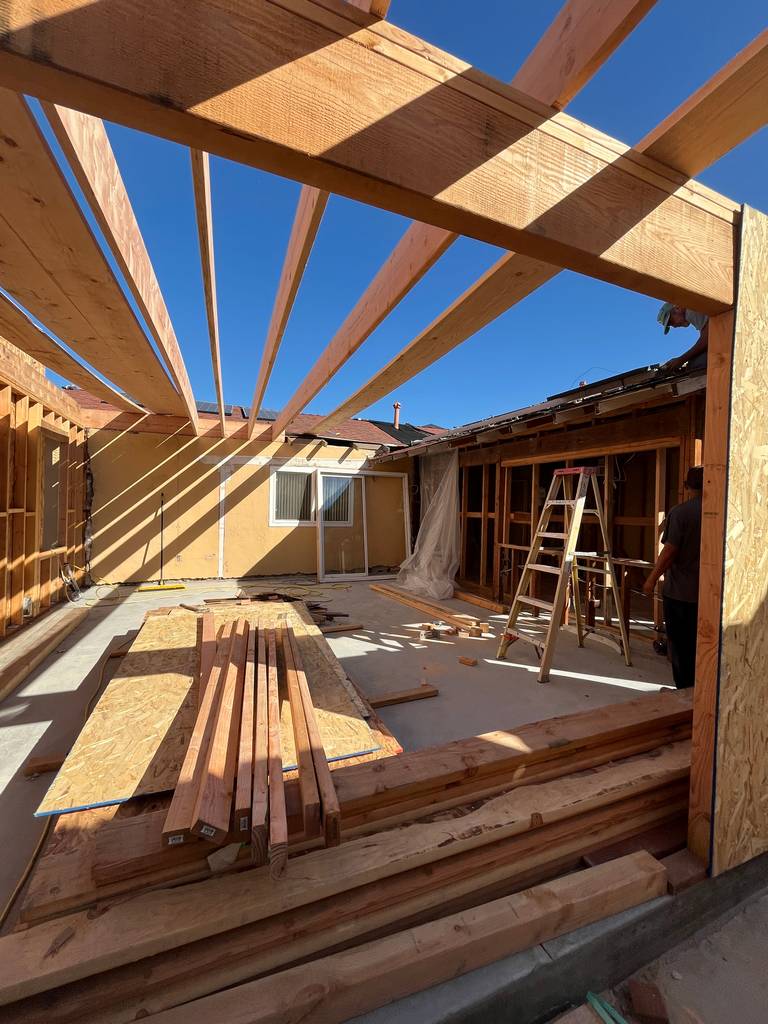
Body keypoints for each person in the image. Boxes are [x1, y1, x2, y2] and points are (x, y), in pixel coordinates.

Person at [642, 466, 703, 688]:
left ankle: (685, 693)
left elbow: (669, 552)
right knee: (703, 645)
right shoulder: (721, 511)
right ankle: (702, 692)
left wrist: (650, 580)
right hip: (710, 594)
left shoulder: (681, 512)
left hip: (680, 594)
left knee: (680, 646)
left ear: (687, 487)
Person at [657, 302, 709, 371]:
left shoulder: (690, 311)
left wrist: (681, 359)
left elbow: (707, 338)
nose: (674, 326)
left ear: (677, 308)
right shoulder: (693, 312)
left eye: (671, 322)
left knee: (695, 364)